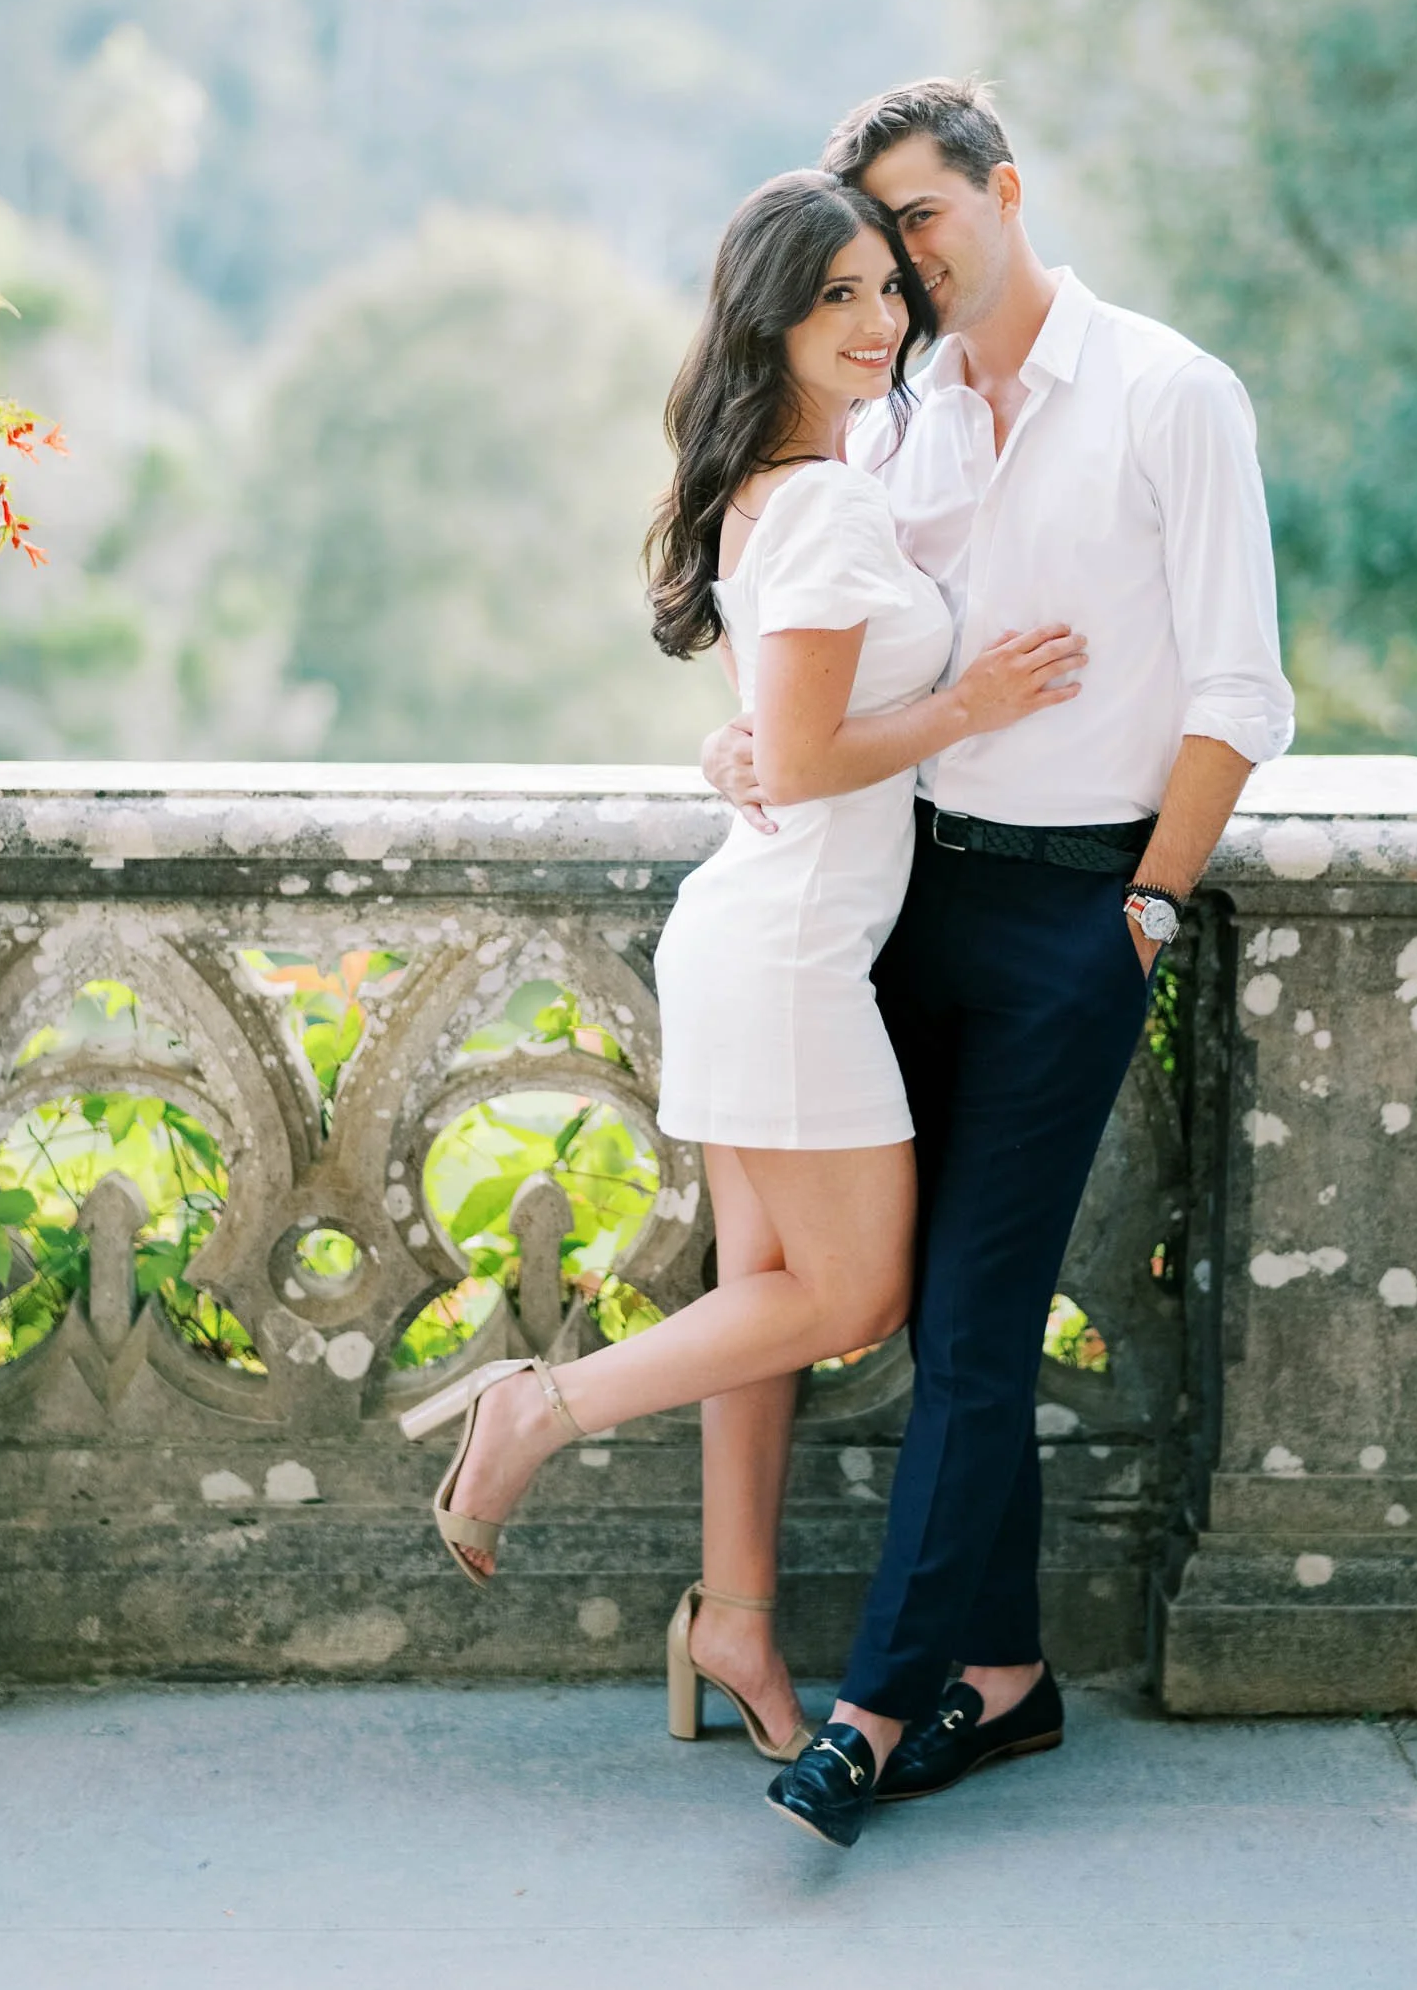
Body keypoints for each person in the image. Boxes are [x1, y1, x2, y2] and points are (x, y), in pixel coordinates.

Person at [398, 169, 1085, 1774]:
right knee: (852, 1298)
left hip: (762, 933)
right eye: (836, 294)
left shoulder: (775, 488)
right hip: (787, 955)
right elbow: (808, 749)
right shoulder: (825, 504)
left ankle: (736, 1618)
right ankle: (535, 1411)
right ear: (768, 319)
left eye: (886, 289)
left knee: (762, 1303)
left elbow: (774, 739)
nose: (876, 320)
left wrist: (761, 746)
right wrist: (971, 706)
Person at [699, 81, 1295, 1848]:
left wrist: (1149, 907)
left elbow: (1240, 692)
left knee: (970, 1320)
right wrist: (741, 750)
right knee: (913, 1307)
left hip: (1074, 915)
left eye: (922, 220)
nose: (901, 271)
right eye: (873, 249)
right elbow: (823, 668)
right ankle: (1009, 1677)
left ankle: (875, 1710)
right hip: (899, 903)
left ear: (1005, 190)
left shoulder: (1172, 394)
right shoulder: (895, 418)